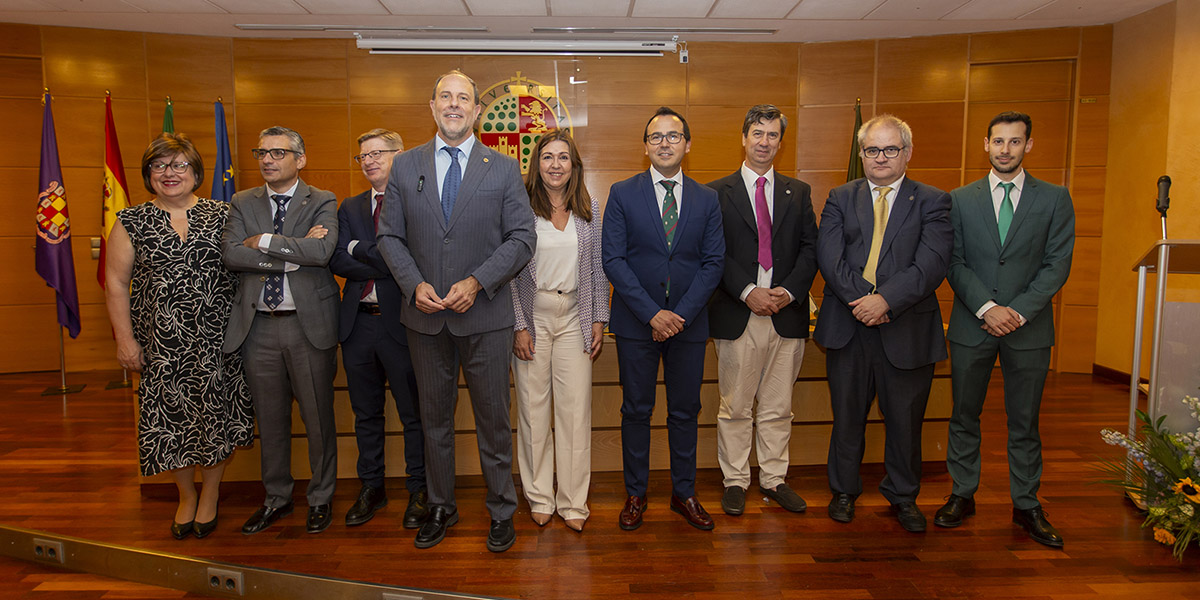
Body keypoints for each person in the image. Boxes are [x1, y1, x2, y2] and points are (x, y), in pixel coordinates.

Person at [377, 70, 535, 552]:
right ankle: (441, 506)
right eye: (444, 96)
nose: (453, 104)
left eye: (463, 97)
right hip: (424, 317)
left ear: (476, 110)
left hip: (485, 316)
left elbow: (523, 238)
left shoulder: (503, 168)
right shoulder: (404, 166)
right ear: (431, 107)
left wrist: (477, 281)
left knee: (493, 421)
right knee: (434, 420)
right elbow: (388, 237)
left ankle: (502, 510)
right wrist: (413, 283)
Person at [104, 132, 253, 539]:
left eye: (179, 165)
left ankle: (211, 493)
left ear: (196, 172)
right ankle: (186, 495)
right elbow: (116, 283)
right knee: (171, 423)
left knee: (215, 419)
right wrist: (125, 339)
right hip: (162, 345)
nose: (170, 173)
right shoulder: (131, 221)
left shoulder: (223, 214)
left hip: (218, 342)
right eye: (160, 166)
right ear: (148, 174)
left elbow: (252, 255)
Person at [935, 111, 1074, 548]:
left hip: (1028, 329)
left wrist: (1017, 311)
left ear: (1028, 146)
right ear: (986, 144)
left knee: (1025, 421)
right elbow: (952, 262)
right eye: (998, 141)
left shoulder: (1055, 198)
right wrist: (987, 307)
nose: (1006, 150)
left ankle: (1027, 504)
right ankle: (962, 493)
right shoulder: (959, 199)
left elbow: (1057, 264)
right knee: (963, 414)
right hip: (972, 324)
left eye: (1015, 142)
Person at [814, 114, 952, 533]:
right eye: (872, 150)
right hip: (848, 324)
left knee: (906, 421)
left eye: (890, 149)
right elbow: (829, 256)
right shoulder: (840, 196)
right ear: (861, 154)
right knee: (847, 416)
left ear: (907, 153)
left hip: (906, 326)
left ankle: (904, 495)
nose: (880, 158)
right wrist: (863, 301)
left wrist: (885, 300)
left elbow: (931, 263)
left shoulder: (933, 200)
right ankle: (843, 491)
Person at [602, 106, 724, 531]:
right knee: (636, 409)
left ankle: (683, 492)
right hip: (637, 323)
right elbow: (613, 260)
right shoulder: (622, 193)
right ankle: (636, 494)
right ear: (645, 146)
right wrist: (653, 313)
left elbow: (714, 263)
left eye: (674, 136)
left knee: (685, 411)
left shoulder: (708, 199)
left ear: (687, 146)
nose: (665, 143)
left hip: (689, 326)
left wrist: (680, 315)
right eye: (656, 137)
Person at [222, 126, 340, 536]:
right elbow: (232, 255)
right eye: (262, 152)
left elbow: (322, 252)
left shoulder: (322, 199)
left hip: (307, 328)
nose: (267, 160)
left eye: (277, 152)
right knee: (270, 421)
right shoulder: (242, 201)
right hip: (259, 328)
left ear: (300, 159)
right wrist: (290, 256)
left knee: (318, 420)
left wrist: (265, 240)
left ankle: (322, 498)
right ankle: (276, 498)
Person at [706, 105, 818, 517]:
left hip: (786, 314)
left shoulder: (798, 192)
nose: (764, 142)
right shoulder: (716, 193)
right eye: (758, 133)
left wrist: (787, 292)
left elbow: (811, 250)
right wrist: (749, 290)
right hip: (739, 313)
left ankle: (773, 479)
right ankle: (735, 480)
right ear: (744, 137)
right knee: (736, 406)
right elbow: (713, 253)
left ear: (780, 143)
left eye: (772, 135)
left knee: (777, 406)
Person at [510, 130, 609, 533]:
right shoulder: (519, 208)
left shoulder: (590, 207)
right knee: (534, 413)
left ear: (574, 165)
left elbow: (598, 269)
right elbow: (511, 273)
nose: (555, 165)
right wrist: (518, 325)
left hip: (575, 318)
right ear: (536, 165)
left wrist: (599, 319)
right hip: (533, 316)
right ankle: (539, 497)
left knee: (574, 411)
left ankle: (573, 501)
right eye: (547, 157)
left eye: (563, 157)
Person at [330, 129, 429, 529]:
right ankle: (372, 486)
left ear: (399, 155)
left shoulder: (418, 203)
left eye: (377, 153)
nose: (369, 161)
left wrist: (361, 249)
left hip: (402, 325)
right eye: (362, 156)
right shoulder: (351, 208)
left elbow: (415, 258)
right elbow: (337, 259)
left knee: (413, 414)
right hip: (357, 326)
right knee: (365, 414)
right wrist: (383, 255)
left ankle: (419, 489)